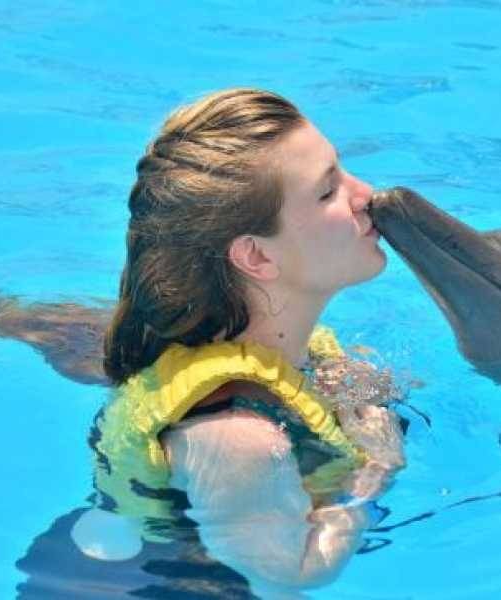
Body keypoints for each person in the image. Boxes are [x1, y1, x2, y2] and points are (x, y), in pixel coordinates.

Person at [34, 88, 405, 598]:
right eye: (327, 192)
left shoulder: (244, 344)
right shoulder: (239, 439)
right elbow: (291, 573)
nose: (366, 194)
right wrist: (375, 469)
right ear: (254, 257)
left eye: (343, 171)